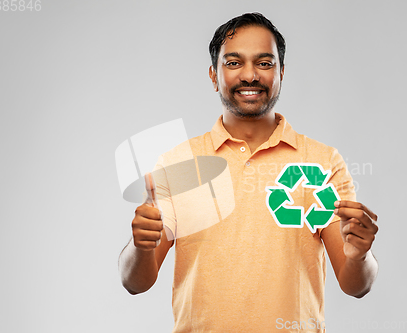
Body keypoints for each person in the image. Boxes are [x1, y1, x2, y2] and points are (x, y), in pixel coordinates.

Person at [118, 12, 379, 332]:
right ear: (214, 76)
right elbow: (135, 282)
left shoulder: (323, 161)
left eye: (265, 63)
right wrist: (140, 246)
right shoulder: (181, 163)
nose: (250, 75)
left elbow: (356, 285)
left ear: (282, 72)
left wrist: (360, 256)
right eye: (233, 62)